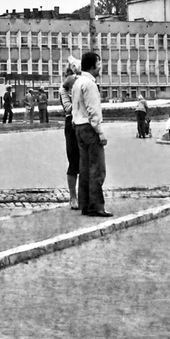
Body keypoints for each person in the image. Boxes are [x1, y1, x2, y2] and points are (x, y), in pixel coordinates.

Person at [72, 52, 112, 217]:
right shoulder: (90, 84)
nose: (101, 67)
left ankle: (85, 204)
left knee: (84, 167)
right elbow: (93, 111)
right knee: (97, 168)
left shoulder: (77, 82)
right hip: (90, 128)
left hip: (79, 127)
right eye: (99, 63)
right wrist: (100, 132)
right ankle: (96, 205)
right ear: (93, 65)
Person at [58, 57, 81, 210]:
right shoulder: (63, 89)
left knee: (86, 161)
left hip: (84, 122)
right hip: (71, 123)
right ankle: (73, 196)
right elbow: (68, 109)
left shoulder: (81, 85)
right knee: (73, 161)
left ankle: (84, 194)